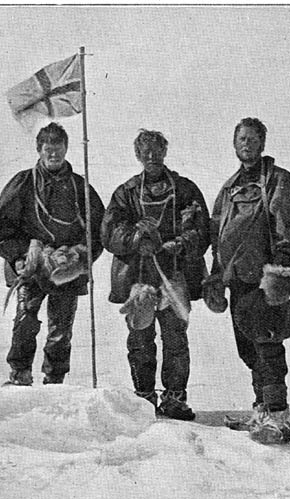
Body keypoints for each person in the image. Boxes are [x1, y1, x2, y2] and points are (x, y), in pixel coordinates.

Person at [204, 117, 290, 443]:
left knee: (268, 347)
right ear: (234, 144)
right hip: (236, 280)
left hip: (264, 281)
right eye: (241, 139)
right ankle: (261, 410)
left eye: (252, 139)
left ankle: (278, 417)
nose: (246, 144)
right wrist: (215, 275)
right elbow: (218, 234)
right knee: (249, 349)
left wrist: (280, 267)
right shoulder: (230, 187)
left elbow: (287, 223)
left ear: (262, 143)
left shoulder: (277, 180)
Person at [101, 129, 209, 420]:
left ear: (165, 152)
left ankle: (175, 398)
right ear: (138, 155)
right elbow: (108, 231)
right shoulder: (126, 193)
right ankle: (144, 398)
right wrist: (136, 239)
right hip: (139, 279)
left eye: (156, 150)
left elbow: (202, 229)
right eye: (145, 151)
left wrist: (180, 242)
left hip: (174, 276)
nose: (151, 156)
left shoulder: (185, 190)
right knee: (140, 340)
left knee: (175, 338)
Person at [0, 122, 105, 386]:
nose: (54, 154)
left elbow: (99, 231)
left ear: (66, 149)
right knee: (25, 319)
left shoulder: (79, 187)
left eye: (59, 149)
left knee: (61, 328)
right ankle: (20, 373)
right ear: (39, 149)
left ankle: (55, 378)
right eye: (48, 149)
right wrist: (21, 255)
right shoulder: (23, 183)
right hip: (31, 265)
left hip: (66, 269)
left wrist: (80, 257)